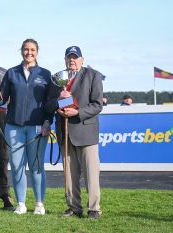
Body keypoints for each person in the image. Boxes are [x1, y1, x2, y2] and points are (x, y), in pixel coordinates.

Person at [0, 39, 53, 215]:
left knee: (36, 165)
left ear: (37, 52)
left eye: (32, 50)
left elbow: (50, 103)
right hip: (14, 127)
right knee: (16, 166)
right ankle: (21, 203)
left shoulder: (46, 74)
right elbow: (2, 99)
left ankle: (39, 203)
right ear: (21, 51)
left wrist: (48, 121)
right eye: (25, 49)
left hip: (38, 128)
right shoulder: (11, 73)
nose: (28, 52)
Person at [46, 46, 103, 219]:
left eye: (75, 57)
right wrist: (59, 101)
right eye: (69, 57)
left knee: (91, 174)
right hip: (65, 133)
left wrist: (78, 112)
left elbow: (97, 104)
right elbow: (49, 105)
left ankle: (94, 209)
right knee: (69, 174)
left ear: (82, 59)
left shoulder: (93, 75)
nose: (72, 60)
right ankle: (73, 207)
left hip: (85, 131)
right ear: (65, 60)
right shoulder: (57, 79)